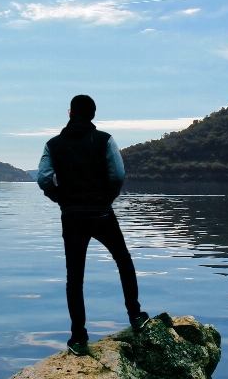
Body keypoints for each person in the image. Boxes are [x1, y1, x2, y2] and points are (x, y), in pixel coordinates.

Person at [37, 94, 150, 356]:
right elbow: (118, 175)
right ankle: (135, 315)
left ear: (70, 114)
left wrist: (61, 199)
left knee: (74, 278)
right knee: (123, 261)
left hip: (72, 215)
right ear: (93, 115)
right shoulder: (105, 140)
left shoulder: (53, 144)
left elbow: (43, 178)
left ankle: (78, 338)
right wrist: (105, 198)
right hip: (101, 212)